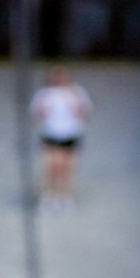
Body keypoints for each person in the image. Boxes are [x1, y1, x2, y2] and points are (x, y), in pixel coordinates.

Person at [30, 65, 92, 207]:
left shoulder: (77, 92)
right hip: (50, 134)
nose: (59, 79)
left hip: (70, 133)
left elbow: (85, 113)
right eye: (56, 76)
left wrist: (75, 105)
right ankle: (49, 195)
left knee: (67, 168)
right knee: (51, 166)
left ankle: (66, 196)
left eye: (62, 76)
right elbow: (36, 114)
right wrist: (44, 110)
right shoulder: (44, 94)